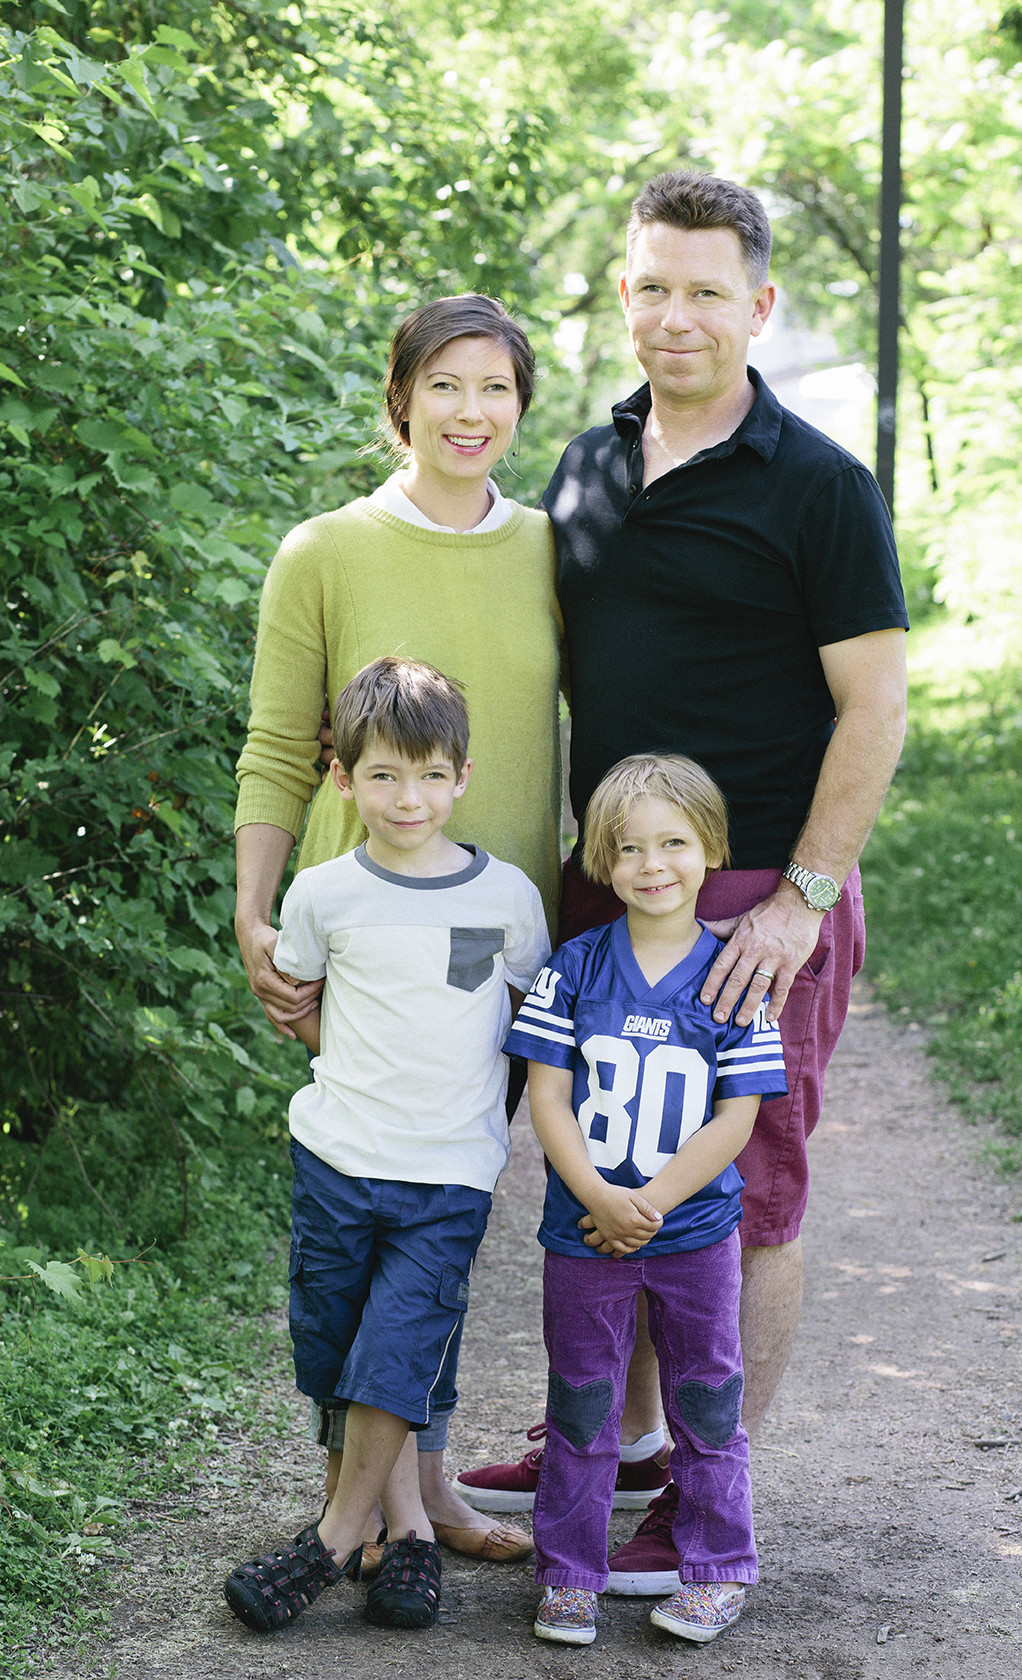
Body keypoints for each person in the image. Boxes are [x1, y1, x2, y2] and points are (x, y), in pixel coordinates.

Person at [453, 170, 909, 1594]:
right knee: (610, 1174)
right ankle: (615, 1440)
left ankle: (706, 1496)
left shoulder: (819, 485)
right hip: (608, 892)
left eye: (707, 289)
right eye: (652, 285)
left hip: (754, 901)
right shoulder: (586, 466)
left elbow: (876, 708)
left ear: (759, 304)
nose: (676, 314)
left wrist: (804, 899)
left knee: (741, 1191)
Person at [234, 293, 562, 1567]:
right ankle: (375, 1508)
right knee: (365, 1228)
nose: (471, 413)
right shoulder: (322, 551)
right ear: (400, 398)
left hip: (499, 936)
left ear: (520, 407)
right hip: (360, 935)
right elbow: (274, 750)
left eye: (495, 390)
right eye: (446, 387)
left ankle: (414, 1501)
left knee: (448, 1202)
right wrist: (254, 912)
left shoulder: (550, 548)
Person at [224, 657, 551, 1636]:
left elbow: (524, 1018)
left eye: (428, 776)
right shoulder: (324, 895)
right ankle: (403, 1530)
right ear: (343, 779)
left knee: (401, 1343)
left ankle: (328, 1544)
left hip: (448, 1170)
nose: (407, 799)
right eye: (382, 776)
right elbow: (305, 1007)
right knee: (335, 1348)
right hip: (336, 1158)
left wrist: (481, 1118)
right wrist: (372, 1070)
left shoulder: (504, 896)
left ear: (462, 776)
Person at [504, 754, 787, 1646]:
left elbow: (738, 1116)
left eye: (673, 842)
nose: (651, 864)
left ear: (712, 849)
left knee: (707, 1401)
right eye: (628, 848)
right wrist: (596, 1194)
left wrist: (651, 1202)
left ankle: (715, 1567)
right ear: (600, 858)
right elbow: (547, 1094)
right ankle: (570, 1574)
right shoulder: (576, 968)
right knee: (582, 1405)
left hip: (692, 1232)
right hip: (583, 1233)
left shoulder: (732, 975)